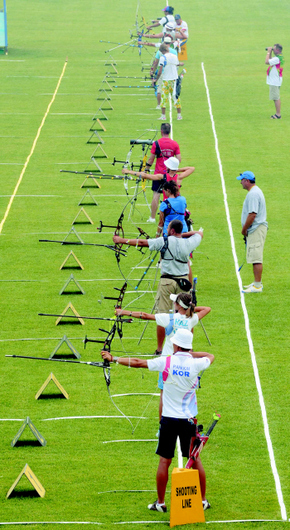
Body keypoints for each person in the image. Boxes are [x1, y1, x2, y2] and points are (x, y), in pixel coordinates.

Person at [101, 328, 215, 512]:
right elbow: (210, 355)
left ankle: (161, 503)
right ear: (189, 346)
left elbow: (138, 363)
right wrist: (188, 353)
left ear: (176, 344)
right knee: (195, 460)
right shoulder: (196, 364)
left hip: (169, 420)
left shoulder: (167, 361)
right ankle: (202, 501)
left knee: (164, 461)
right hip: (188, 421)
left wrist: (113, 359)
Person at [115, 292, 211, 417]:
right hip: (186, 361)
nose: (173, 304)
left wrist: (122, 312)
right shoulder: (191, 319)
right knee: (186, 392)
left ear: (179, 305)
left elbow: (144, 316)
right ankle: (186, 419)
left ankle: (162, 426)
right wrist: (190, 308)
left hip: (168, 362)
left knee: (164, 395)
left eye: (175, 302)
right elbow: (207, 309)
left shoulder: (170, 318)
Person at [113, 219, 203, 351]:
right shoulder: (189, 242)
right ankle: (187, 348)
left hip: (167, 282)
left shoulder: (164, 241)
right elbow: (199, 234)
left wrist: (121, 240)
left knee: (162, 315)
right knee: (187, 315)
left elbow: (143, 243)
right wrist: (181, 235)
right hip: (184, 282)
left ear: (172, 230)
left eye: (169, 229)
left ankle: (160, 348)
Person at [122, 157, 194, 224]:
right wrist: (176, 169)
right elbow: (191, 168)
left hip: (168, 205)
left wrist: (128, 171)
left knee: (165, 225)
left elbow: (145, 175)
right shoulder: (179, 177)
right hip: (178, 204)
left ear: (169, 167)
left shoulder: (162, 177)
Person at [237, 171, 268, 293]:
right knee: (254, 256)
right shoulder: (254, 192)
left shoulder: (253, 194)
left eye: (242, 180)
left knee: (256, 257)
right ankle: (256, 283)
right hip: (255, 228)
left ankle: (257, 286)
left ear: (247, 181)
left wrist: (244, 229)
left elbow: (252, 214)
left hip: (255, 228)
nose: (241, 182)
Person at [145, 122, 181, 223]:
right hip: (170, 174)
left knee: (156, 194)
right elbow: (179, 159)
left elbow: (151, 160)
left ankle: (152, 218)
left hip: (158, 174)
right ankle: (174, 214)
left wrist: (146, 169)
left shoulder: (156, 143)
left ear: (161, 131)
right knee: (172, 194)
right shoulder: (174, 144)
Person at [154, 43, 182, 121]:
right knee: (175, 97)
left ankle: (163, 116)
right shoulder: (175, 56)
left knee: (164, 98)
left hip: (166, 80)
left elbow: (160, 71)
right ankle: (179, 115)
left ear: (163, 51)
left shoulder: (163, 58)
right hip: (174, 79)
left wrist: (156, 79)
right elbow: (177, 65)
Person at [265, 44, 284, 119]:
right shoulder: (278, 57)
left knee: (276, 98)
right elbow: (270, 61)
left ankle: (278, 114)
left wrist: (268, 52)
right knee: (275, 97)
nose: (273, 50)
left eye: (274, 49)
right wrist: (270, 53)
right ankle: (277, 114)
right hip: (276, 80)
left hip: (275, 81)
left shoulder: (277, 59)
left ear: (278, 50)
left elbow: (266, 62)